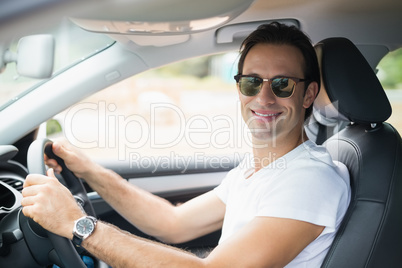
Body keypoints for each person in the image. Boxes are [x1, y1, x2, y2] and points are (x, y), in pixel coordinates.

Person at [21, 22, 351, 267]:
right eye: (252, 82)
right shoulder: (260, 168)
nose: (263, 97)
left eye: (282, 84)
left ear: (308, 94)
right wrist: (91, 171)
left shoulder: (309, 181)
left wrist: (77, 225)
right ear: (239, 89)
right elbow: (172, 223)